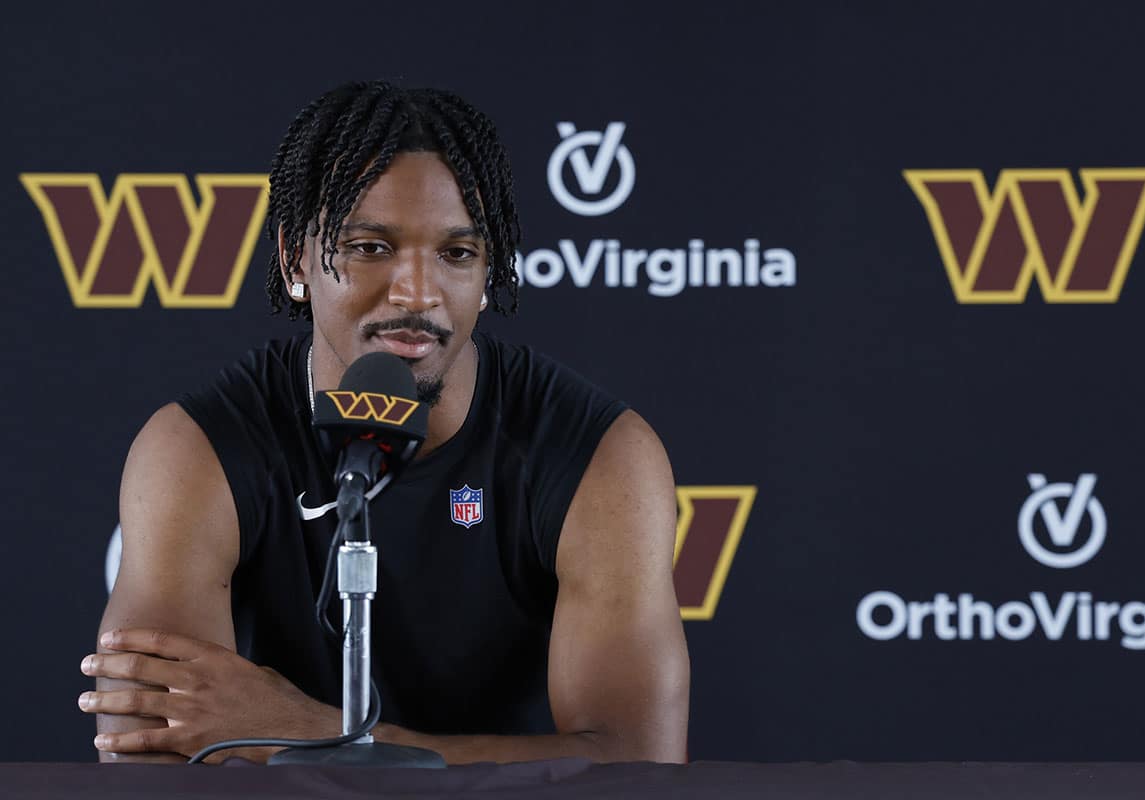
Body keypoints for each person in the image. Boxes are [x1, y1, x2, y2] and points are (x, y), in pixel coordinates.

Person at [79, 81, 689, 764]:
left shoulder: (599, 455)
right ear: (293, 261)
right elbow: (149, 755)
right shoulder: (199, 450)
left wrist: (318, 734)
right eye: (371, 247)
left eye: (456, 254)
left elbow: (637, 767)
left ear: (488, 272)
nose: (418, 293)